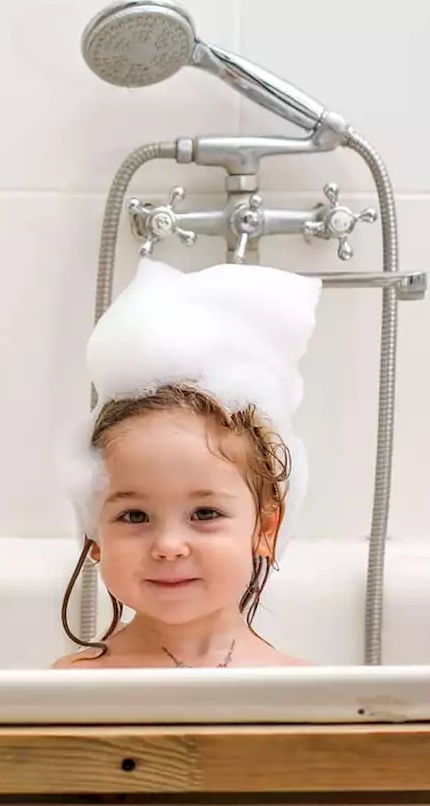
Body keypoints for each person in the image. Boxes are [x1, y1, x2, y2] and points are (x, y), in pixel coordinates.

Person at [53, 257, 321, 669]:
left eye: (205, 513)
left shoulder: (302, 688)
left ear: (266, 528)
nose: (168, 546)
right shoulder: (76, 683)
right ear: (94, 534)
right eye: (135, 515)